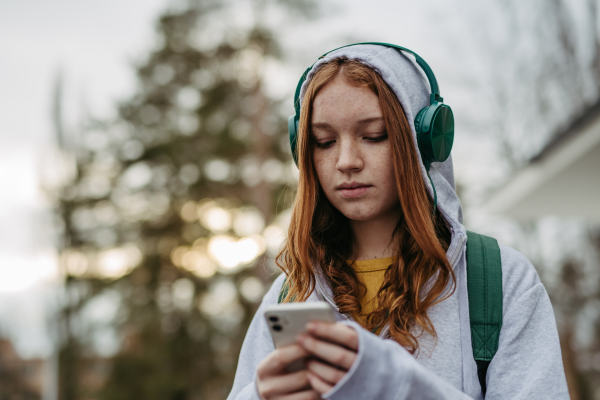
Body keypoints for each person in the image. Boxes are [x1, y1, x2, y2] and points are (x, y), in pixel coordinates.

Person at [227, 44, 569, 400]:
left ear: (424, 141)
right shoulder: (289, 294)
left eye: (374, 135)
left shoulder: (500, 282)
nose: (346, 161)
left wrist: (399, 386)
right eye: (324, 142)